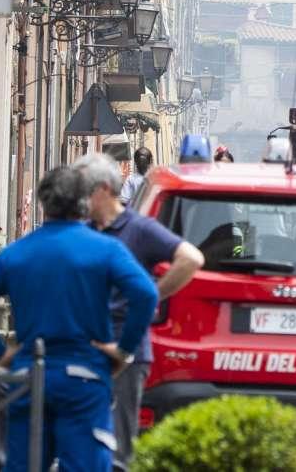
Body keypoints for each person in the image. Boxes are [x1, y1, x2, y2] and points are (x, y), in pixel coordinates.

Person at [0, 164, 158, 472]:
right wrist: (123, 351)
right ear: (85, 203)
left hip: (29, 377)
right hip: (85, 375)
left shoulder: (18, 253)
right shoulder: (106, 250)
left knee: (25, 464)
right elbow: (146, 294)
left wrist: (1, 353)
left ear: (43, 203)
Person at [74, 152, 202, 462]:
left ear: (103, 189)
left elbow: (192, 259)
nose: (77, 200)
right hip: (83, 347)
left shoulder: (139, 228)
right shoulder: (85, 230)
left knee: (118, 447)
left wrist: (153, 294)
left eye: (82, 192)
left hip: (125, 350)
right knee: (79, 442)